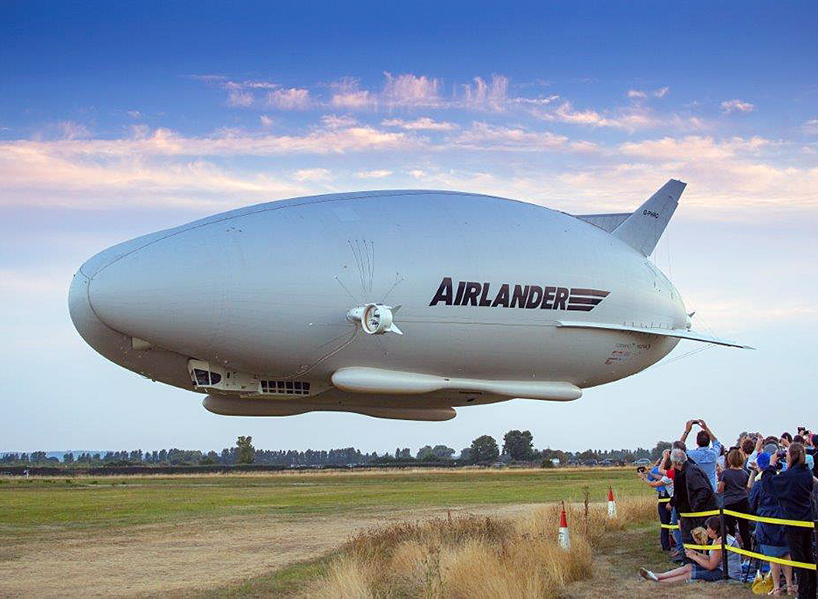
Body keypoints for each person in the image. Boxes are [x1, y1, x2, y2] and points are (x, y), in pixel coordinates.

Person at [767, 442, 816, 598]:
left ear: (791, 456)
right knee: (808, 556)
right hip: (807, 519)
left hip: (793, 522)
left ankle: (804, 593)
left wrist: (771, 464)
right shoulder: (807, 473)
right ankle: (811, 590)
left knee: (799, 559)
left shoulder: (789, 477)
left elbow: (769, 484)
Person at [638, 515, 742, 583]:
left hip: (727, 573)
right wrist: (696, 554)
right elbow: (711, 558)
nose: (706, 530)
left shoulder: (721, 542)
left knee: (689, 574)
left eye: (708, 528)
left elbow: (711, 566)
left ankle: (658, 581)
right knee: (688, 567)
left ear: (714, 530)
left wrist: (694, 557)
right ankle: (657, 576)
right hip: (721, 569)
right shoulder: (718, 539)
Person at [749, 451, 795, 596]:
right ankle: (789, 585)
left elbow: (752, 503)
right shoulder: (781, 479)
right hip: (783, 519)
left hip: (767, 521)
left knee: (774, 557)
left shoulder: (760, 482)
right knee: (786, 554)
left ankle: (776, 587)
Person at [669, 448, 718, 546]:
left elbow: (704, 490)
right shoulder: (687, 471)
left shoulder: (691, 471)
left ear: (675, 462)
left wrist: (694, 507)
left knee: (703, 541)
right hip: (696, 514)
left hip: (703, 514)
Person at [639, 450, 673, 552]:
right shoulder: (668, 474)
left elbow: (657, 482)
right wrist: (649, 473)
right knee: (665, 524)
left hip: (670, 500)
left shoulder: (671, 474)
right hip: (664, 499)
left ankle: (672, 546)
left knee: (672, 525)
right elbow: (661, 478)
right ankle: (666, 546)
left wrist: (644, 478)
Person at [718, 448, 751, 550]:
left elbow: (720, 489)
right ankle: (747, 552)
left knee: (729, 529)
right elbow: (747, 488)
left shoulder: (726, 473)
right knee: (744, 529)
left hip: (730, 503)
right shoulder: (745, 473)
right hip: (743, 502)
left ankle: (731, 550)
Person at [681, 419, 722, 490]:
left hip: (698, 488)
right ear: (709, 441)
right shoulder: (714, 454)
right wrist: (706, 429)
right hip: (712, 488)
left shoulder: (692, 454)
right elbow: (716, 443)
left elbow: (680, 447)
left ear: (697, 442)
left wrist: (687, 431)